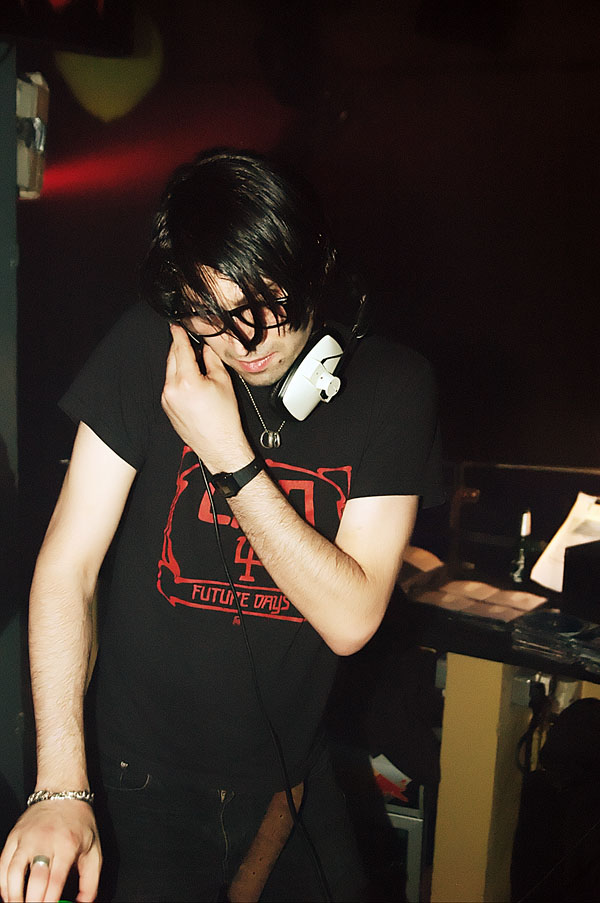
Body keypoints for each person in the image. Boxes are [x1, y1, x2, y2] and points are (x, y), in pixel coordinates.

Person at [0, 148, 443, 903]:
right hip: (137, 786)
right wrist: (60, 787)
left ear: (313, 263)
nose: (245, 341)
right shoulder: (148, 348)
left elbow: (351, 620)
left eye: (264, 301)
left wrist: (229, 457)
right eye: (210, 313)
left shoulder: (393, 387)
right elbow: (68, 567)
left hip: (289, 792)